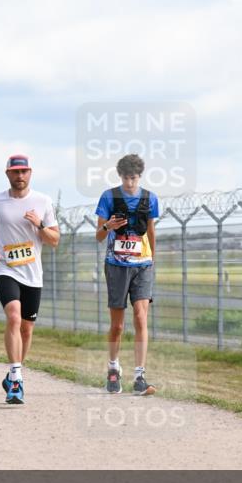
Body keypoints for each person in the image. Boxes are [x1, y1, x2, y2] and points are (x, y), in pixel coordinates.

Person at [0, 155, 60, 404]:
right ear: (7, 174)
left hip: (33, 273)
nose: (19, 176)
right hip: (5, 268)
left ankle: (15, 369)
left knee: (26, 327)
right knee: (13, 315)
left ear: (30, 173)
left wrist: (40, 224)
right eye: (15, 172)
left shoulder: (43, 201)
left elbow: (54, 240)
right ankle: (16, 379)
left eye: (23, 171)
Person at [95, 153, 160, 395]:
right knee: (118, 325)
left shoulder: (150, 198)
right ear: (120, 176)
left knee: (141, 318)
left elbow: (151, 231)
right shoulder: (109, 197)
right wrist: (107, 226)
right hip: (116, 265)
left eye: (134, 178)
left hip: (142, 265)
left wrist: (153, 258)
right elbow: (99, 236)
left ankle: (140, 376)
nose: (130, 182)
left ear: (139, 176)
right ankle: (113, 369)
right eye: (126, 178)